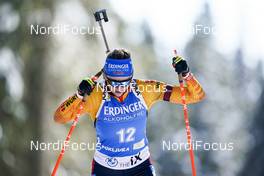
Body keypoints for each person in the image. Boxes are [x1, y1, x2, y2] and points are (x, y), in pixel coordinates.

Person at [54, 48, 205, 176]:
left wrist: (186, 75)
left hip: (140, 167)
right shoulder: (96, 95)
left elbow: (194, 96)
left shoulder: (145, 89)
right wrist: (79, 95)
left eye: (125, 83)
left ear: (131, 77)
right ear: (105, 78)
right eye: (113, 83)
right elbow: (60, 117)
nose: (119, 88)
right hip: (106, 169)